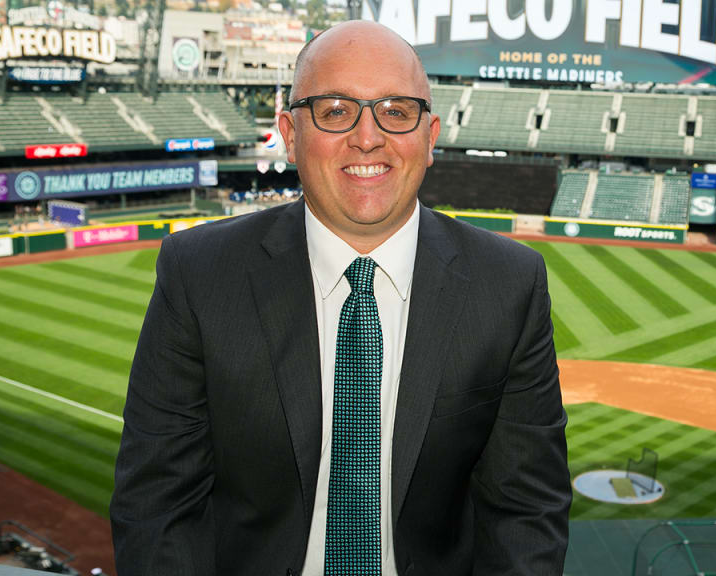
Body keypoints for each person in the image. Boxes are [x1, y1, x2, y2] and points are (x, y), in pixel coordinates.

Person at [110, 20, 571, 576]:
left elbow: (526, 513)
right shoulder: (198, 273)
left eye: (396, 111)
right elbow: (157, 506)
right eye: (334, 111)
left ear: (430, 137)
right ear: (290, 133)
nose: (368, 137)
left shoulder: (510, 284)